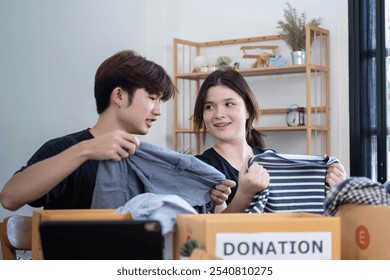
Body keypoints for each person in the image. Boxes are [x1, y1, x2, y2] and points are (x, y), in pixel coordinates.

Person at [0, 50, 232, 211]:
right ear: (119, 95)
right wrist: (85, 150)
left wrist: (208, 197)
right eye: (152, 98)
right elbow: (10, 198)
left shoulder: (148, 162)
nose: (158, 111)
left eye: (160, 101)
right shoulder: (66, 149)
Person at [193, 69, 347, 213]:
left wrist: (336, 189)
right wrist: (243, 195)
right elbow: (212, 232)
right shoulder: (200, 169)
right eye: (209, 107)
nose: (219, 114)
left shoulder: (271, 160)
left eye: (229, 104)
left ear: (248, 109)